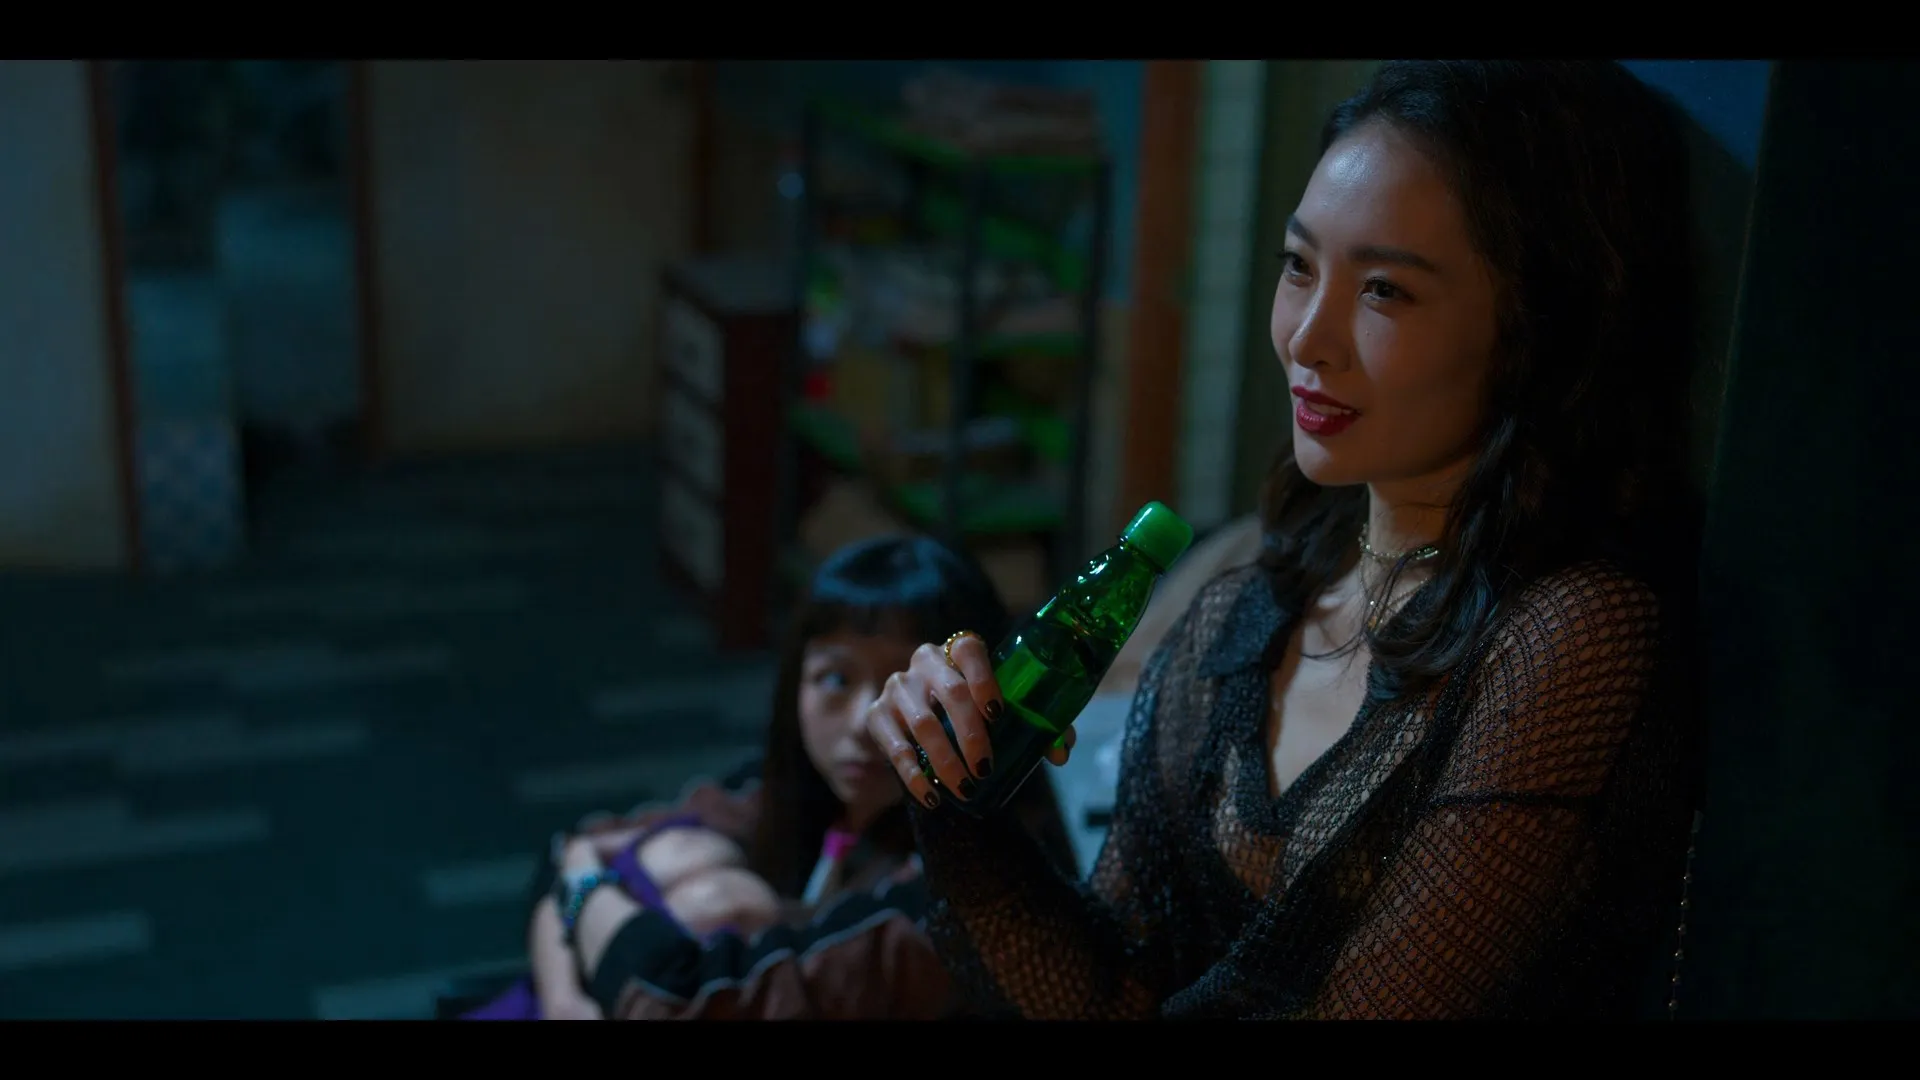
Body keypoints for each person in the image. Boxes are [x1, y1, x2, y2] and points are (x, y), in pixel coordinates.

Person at [863, 60, 1706, 1020]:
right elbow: (1115, 987)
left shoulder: (1571, 637)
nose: (1307, 336)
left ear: (1543, 326)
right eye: (1299, 266)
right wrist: (952, 784)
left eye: (1383, 290)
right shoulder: (1247, 616)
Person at [462, 533, 1076, 1020]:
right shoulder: (798, 788)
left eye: (904, 688)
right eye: (835, 679)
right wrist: (565, 998)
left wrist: (583, 888)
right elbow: (568, 849)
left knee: (708, 900)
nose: (865, 723)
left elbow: (681, 1001)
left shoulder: (965, 886)